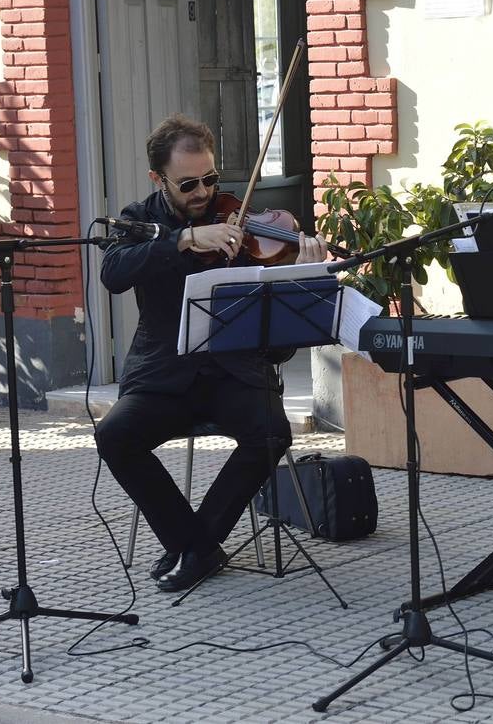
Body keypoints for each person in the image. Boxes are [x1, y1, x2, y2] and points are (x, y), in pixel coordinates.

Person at [96, 114, 327, 592]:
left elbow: (278, 343)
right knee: (115, 436)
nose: (203, 193)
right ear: (158, 179)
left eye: (210, 179)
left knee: (271, 432)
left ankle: (195, 548)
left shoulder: (241, 227)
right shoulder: (140, 220)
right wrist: (183, 239)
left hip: (233, 373)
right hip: (164, 375)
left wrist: (301, 278)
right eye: (188, 184)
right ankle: (195, 545)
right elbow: (114, 272)